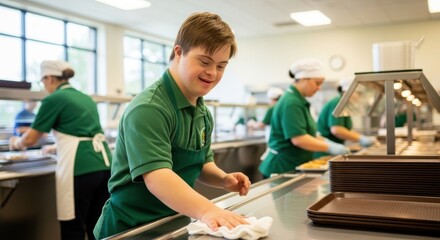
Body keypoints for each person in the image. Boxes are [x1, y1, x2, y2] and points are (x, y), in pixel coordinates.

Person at [93, 12, 251, 239]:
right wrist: (208, 210)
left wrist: (223, 179)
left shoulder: (202, 111)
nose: (212, 73)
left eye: (221, 66)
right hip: (131, 228)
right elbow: (158, 177)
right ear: (179, 52)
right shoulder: (149, 108)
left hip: (173, 223)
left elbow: (201, 162)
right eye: (205, 62)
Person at [9, 60, 112, 240]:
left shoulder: (54, 98)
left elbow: (32, 138)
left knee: (73, 226)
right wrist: (56, 146)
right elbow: (83, 132)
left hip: (80, 167)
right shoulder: (84, 97)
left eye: (43, 82)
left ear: (49, 78)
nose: (44, 86)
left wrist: (16, 142)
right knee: (97, 225)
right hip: (103, 165)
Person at [258, 58, 350, 178]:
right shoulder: (291, 103)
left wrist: (325, 141)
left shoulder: (298, 100)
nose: (318, 88)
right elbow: (299, 139)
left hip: (292, 164)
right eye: (317, 83)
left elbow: (307, 134)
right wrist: (331, 147)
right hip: (282, 167)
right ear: (302, 79)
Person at [315, 76, 377, 158]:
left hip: (333, 150)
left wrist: (360, 137)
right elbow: (336, 130)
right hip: (325, 151)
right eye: (358, 93)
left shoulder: (345, 105)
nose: (359, 97)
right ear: (347, 92)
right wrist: (361, 138)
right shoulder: (337, 103)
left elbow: (346, 129)